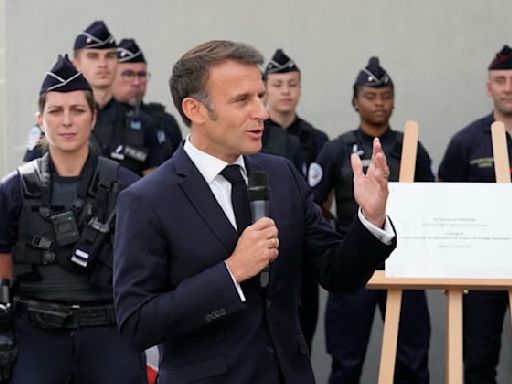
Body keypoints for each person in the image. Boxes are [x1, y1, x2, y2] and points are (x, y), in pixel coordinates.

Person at [113, 39, 396, 384]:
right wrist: (231, 273)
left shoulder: (282, 175)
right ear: (195, 110)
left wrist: (372, 219)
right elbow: (137, 323)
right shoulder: (147, 200)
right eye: (242, 100)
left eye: (260, 96)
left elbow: (338, 273)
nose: (262, 112)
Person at [0, 55, 147, 383]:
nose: (66, 121)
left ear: (93, 117)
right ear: (41, 119)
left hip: (111, 337)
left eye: (77, 110)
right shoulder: (13, 189)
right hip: (36, 339)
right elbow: (3, 261)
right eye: (55, 111)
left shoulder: (130, 188)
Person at [311, 57, 432, 384]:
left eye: (385, 96)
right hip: (353, 264)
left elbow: (429, 201)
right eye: (370, 96)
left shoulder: (410, 148)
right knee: (347, 360)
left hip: (403, 265)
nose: (379, 103)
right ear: (355, 101)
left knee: (412, 359)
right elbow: (314, 203)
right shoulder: (336, 150)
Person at [438, 45, 512, 384]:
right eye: (500, 80)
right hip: (483, 270)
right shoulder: (466, 142)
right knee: (479, 360)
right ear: (489, 88)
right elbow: (446, 201)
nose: (508, 87)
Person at [24, 21, 161, 175]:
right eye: (93, 56)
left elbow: (151, 189)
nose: (102, 64)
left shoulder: (142, 125)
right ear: (76, 64)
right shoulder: (54, 126)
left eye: (109, 56)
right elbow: (29, 183)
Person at [262, 48, 329, 349]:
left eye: (292, 84)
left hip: (302, 252)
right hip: (261, 249)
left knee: (302, 338)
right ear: (264, 88)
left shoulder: (316, 139)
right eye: (278, 84)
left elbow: (323, 199)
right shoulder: (253, 135)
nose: (286, 91)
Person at [113, 38, 183, 162]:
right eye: (128, 74)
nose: (136, 82)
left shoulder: (164, 121)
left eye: (141, 75)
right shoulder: (96, 119)